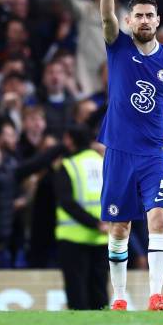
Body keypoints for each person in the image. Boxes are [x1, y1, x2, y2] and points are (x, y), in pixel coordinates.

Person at [98, 0, 163, 311]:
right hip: (120, 151)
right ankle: (119, 297)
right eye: (138, 15)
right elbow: (105, 18)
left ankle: (155, 294)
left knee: (158, 216)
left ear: (158, 20)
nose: (145, 20)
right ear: (129, 20)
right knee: (119, 227)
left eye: (150, 15)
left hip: (154, 153)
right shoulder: (117, 46)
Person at [53, 125, 109, 310]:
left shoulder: (69, 165)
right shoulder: (104, 163)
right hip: (102, 238)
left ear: (69, 139)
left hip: (73, 238)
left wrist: (94, 223)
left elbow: (67, 203)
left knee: (77, 294)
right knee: (100, 291)